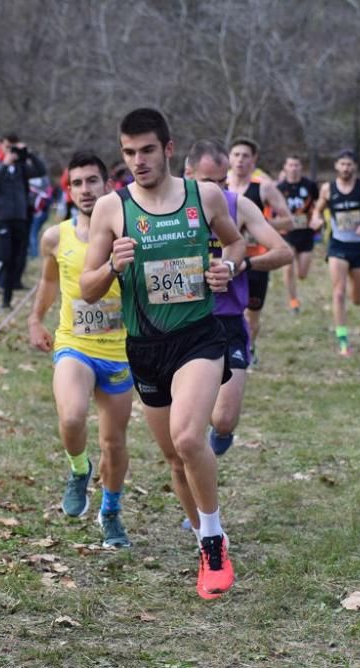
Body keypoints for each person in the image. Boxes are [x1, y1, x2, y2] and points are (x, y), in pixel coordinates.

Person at [80, 109, 244, 599]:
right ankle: (203, 534)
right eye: (128, 152)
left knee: (190, 437)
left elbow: (236, 245)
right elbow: (88, 289)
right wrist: (111, 264)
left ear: (168, 148)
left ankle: (213, 543)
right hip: (145, 345)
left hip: (197, 337)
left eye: (147, 150)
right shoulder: (112, 208)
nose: (137, 161)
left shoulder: (204, 195)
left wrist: (227, 268)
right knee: (174, 459)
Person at [28, 151, 134, 549]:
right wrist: (35, 320)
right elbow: (50, 283)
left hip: (119, 349)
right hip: (74, 343)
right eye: (77, 183)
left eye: (93, 181)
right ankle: (78, 469)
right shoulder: (56, 236)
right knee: (72, 417)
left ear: (107, 185)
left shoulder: (126, 234)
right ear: (68, 189)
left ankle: (111, 512)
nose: (85, 190)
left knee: (114, 442)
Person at [184, 140, 290, 459]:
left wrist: (242, 265)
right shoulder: (166, 211)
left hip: (227, 320)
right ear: (187, 175)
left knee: (224, 418)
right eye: (207, 182)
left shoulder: (239, 205)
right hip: (181, 321)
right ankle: (197, 468)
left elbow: (282, 251)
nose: (216, 190)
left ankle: (219, 434)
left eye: (222, 181)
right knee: (186, 425)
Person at [310, 150, 360, 356]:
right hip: (338, 245)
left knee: (357, 299)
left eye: (349, 164)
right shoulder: (328, 189)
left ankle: (354, 287)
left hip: (359, 246)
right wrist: (316, 219)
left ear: (355, 167)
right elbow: (317, 210)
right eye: (342, 164)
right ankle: (343, 341)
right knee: (339, 292)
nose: (345, 168)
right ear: (336, 166)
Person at [226, 138, 291, 364]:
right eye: (236, 155)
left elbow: (288, 221)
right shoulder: (218, 185)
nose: (240, 160)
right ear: (229, 158)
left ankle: (249, 348)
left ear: (254, 159)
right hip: (225, 258)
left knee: (252, 314)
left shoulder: (263, 186)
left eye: (245, 156)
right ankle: (232, 354)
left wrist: (258, 225)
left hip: (257, 259)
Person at [0, 133, 47, 310]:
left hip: (20, 217)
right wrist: (4, 164)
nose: (11, 151)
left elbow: (40, 171)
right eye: (9, 147)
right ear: (0, 144)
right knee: (2, 258)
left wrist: (29, 153)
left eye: (14, 147)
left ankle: (6, 301)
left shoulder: (20, 165)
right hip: (0, 217)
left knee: (15, 260)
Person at [277, 154, 318, 313]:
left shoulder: (310, 185)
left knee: (302, 274)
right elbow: (273, 211)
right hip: (287, 234)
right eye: (291, 165)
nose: (293, 168)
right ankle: (293, 301)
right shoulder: (279, 188)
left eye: (296, 165)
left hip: (306, 234)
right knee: (287, 268)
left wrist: (316, 218)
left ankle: (298, 278)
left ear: (301, 167)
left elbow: (319, 205)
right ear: (285, 168)